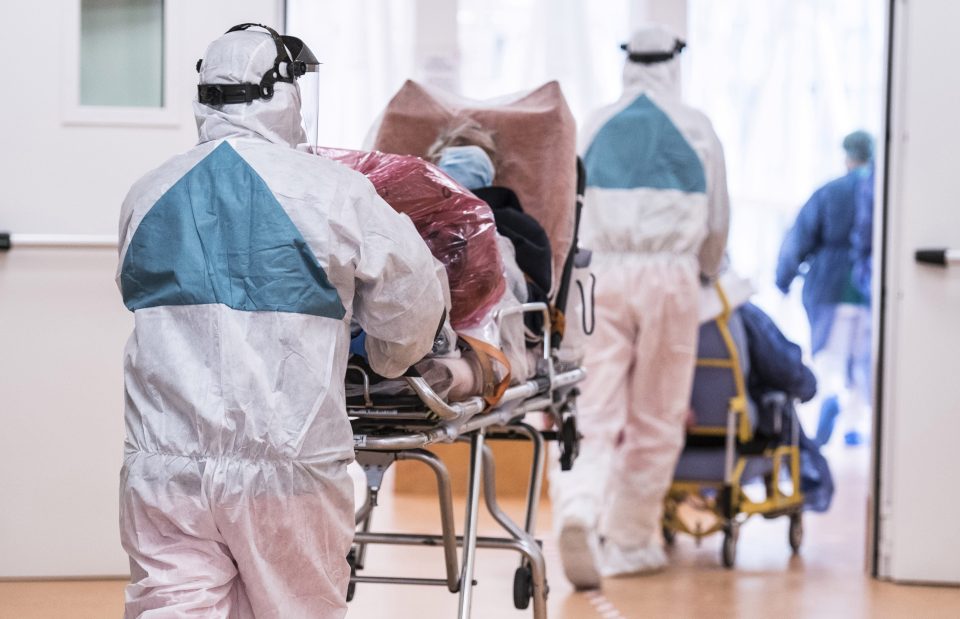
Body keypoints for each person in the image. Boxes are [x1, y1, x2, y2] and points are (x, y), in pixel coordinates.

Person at [115, 25, 445, 618]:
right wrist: (387, 359)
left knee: (171, 607)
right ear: (283, 94)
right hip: (286, 467)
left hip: (164, 472)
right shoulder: (334, 192)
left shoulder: (146, 192)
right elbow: (414, 303)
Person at [549, 24, 730, 587]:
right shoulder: (698, 127)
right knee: (656, 415)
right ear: (675, 62)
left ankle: (578, 506)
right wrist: (703, 269)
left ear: (627, 62)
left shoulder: (596, 123)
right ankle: (629, 542)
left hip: (600, 273)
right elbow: (717, 224)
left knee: (592, 406)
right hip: (671, 276)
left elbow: (565, 205)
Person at [776, 130, 874, 448]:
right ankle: (855, 427)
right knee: (862, 359)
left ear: (847, 156)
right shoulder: (883, 191)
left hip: (830, 285)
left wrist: (784, 277)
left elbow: (799, 237)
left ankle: (832, 394)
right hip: (870, 287)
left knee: (831, 353)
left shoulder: (830, 192)